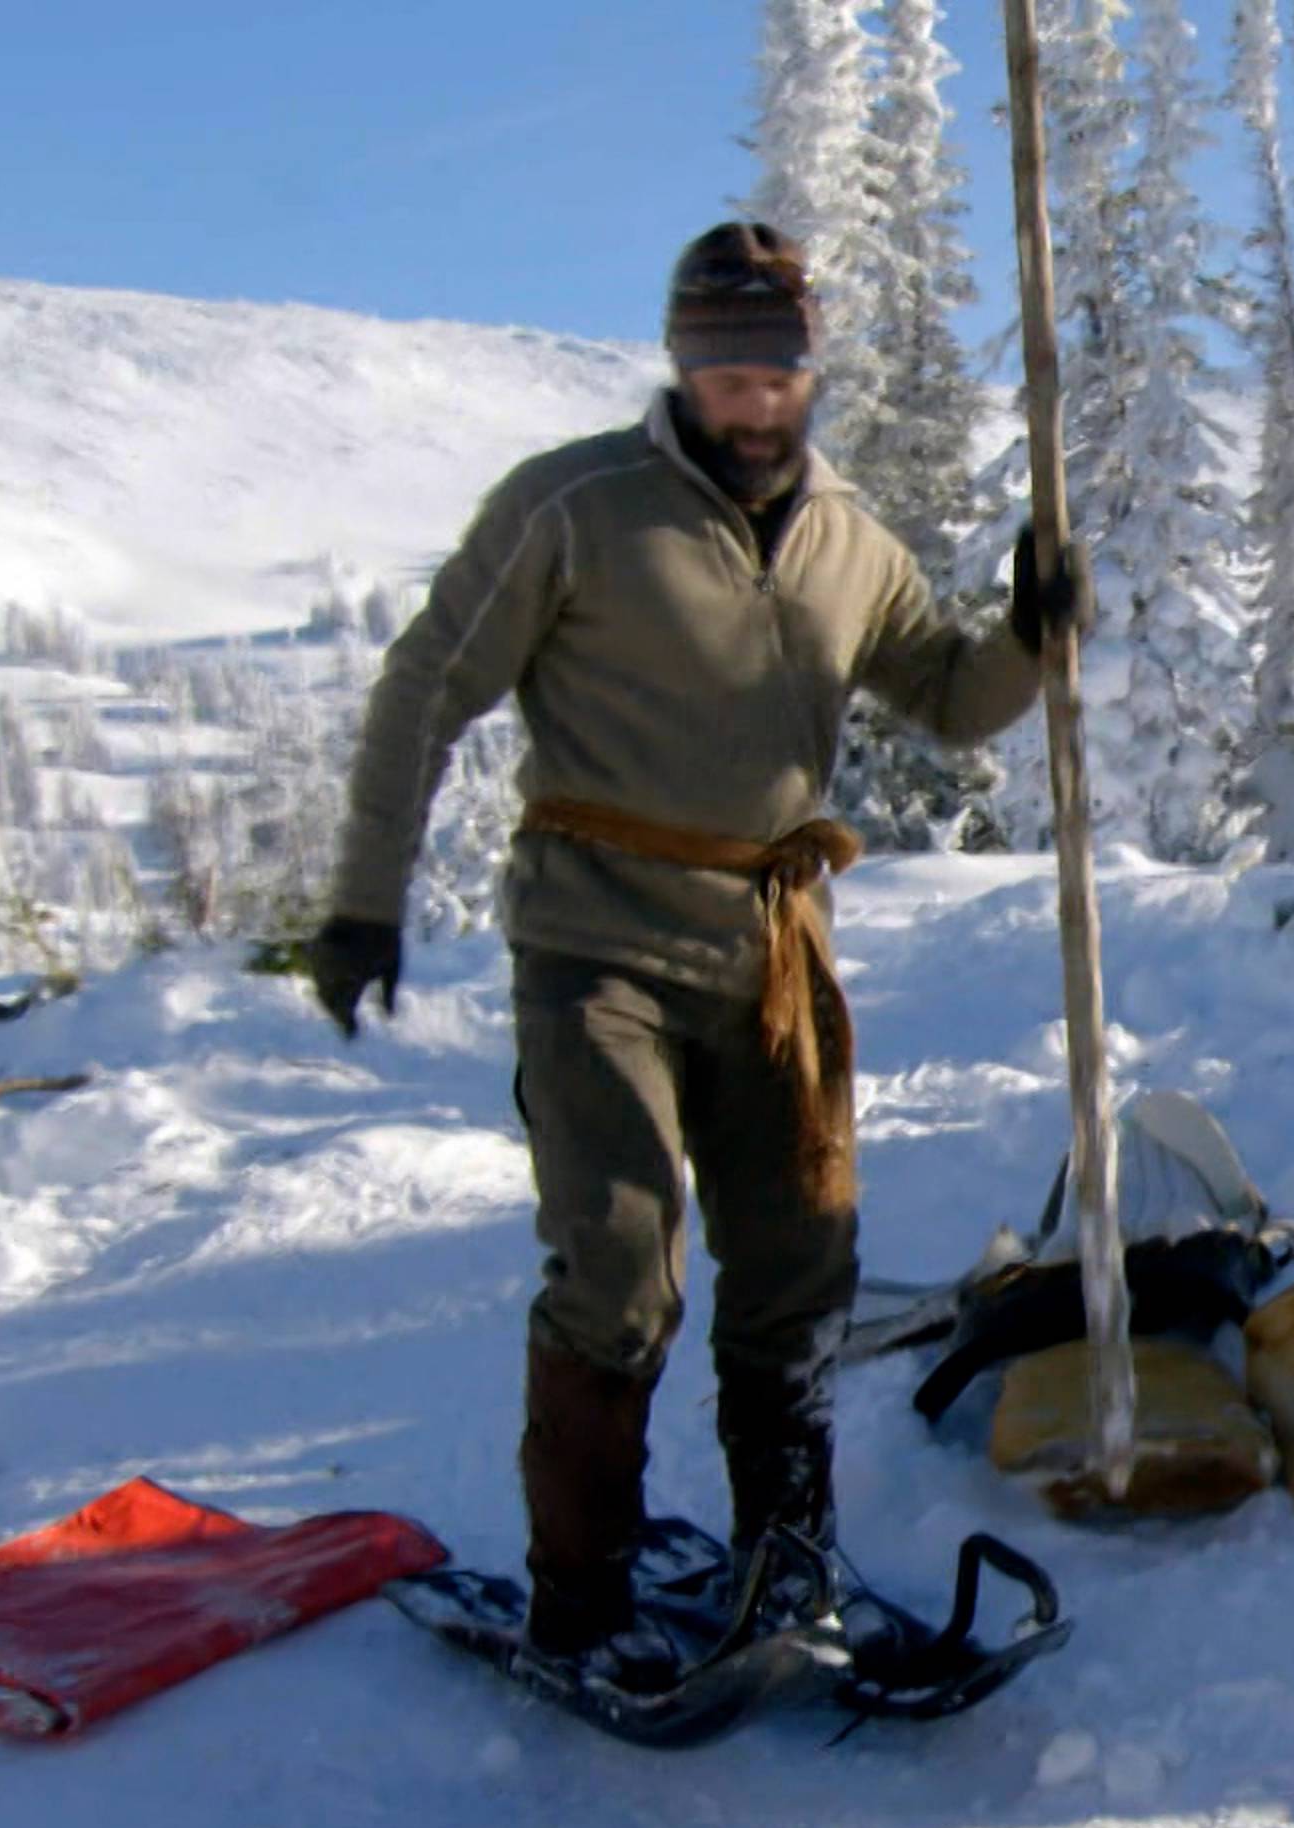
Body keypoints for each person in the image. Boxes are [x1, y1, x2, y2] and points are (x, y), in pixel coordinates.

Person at [307, 220, 1087, 1697]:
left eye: (775, 364)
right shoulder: (576, 508)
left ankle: (787, 1559)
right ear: (679, 365)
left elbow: (950, 694)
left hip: (773, 954)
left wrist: (1033, 633)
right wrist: (364, 897)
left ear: (810, 371)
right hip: (594, 943)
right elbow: (427, 683)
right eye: (724, 365)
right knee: (616, 1260)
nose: (751, 395)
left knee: (799, 1263)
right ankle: (581, 1596)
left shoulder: (851, 538)